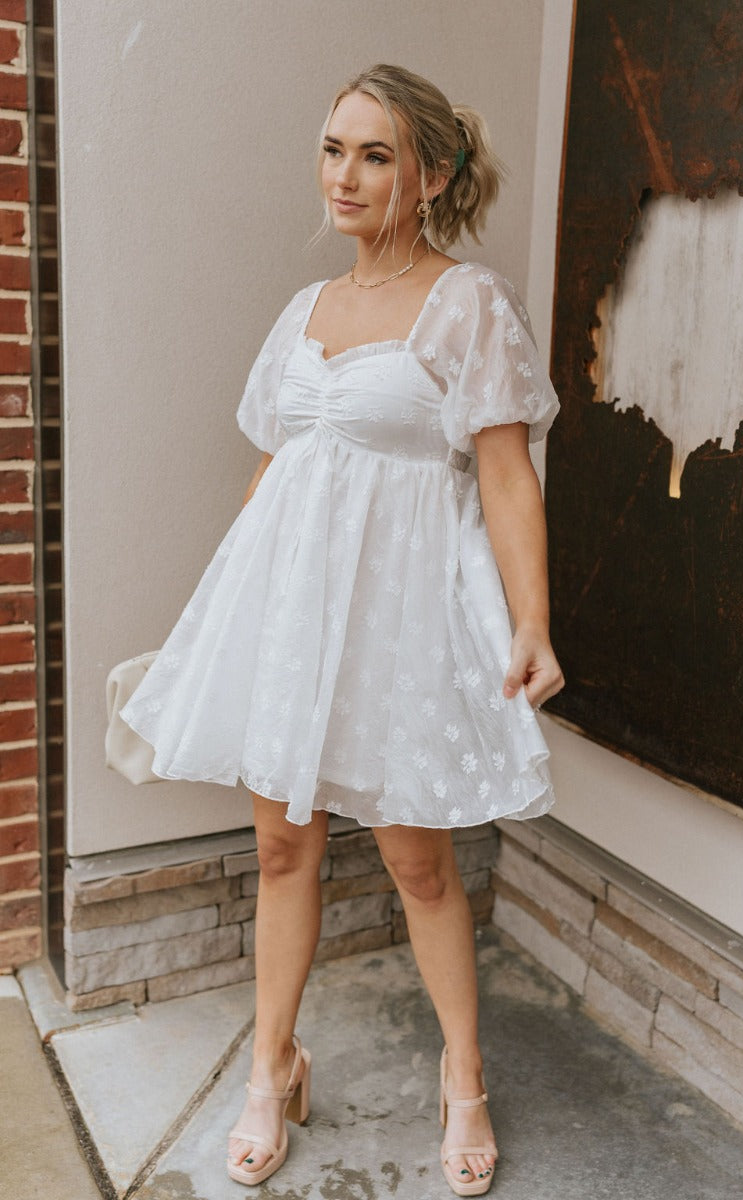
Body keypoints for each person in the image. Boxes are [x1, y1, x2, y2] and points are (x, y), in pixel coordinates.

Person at [119, 63, 564, 1197]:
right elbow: (274, 480)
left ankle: (462, 1079)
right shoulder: (301, 314)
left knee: (418, 862)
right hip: (288, 618)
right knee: (281, 848)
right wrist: (225, 623)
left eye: (373, 154)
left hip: (403, 624)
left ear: (430, 174)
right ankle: (272, 1067)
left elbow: (507, 481)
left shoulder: (468, 306)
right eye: (332, 149)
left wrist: (531, 622)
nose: (345, 175)